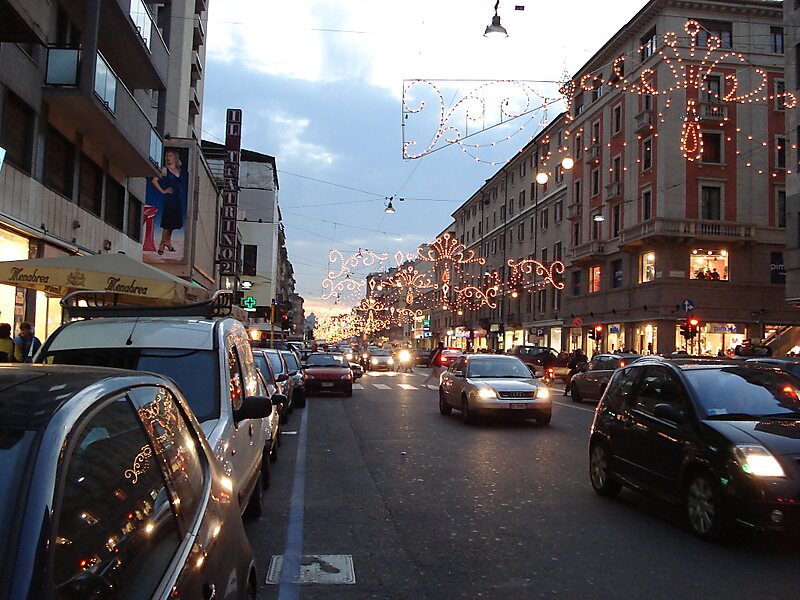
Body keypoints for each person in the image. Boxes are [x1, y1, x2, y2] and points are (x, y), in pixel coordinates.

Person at [150, 149, 185, 255]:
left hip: (178, 198)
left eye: (170, 156)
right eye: (167, 156)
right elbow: (154, 180)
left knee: (174, 221)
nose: (168, 158)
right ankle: (162, 243)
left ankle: (168, 241)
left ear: (175, 157)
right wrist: (163, 191)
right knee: (168, 221)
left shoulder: (179, 170)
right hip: (170, 198)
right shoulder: (165, 169)